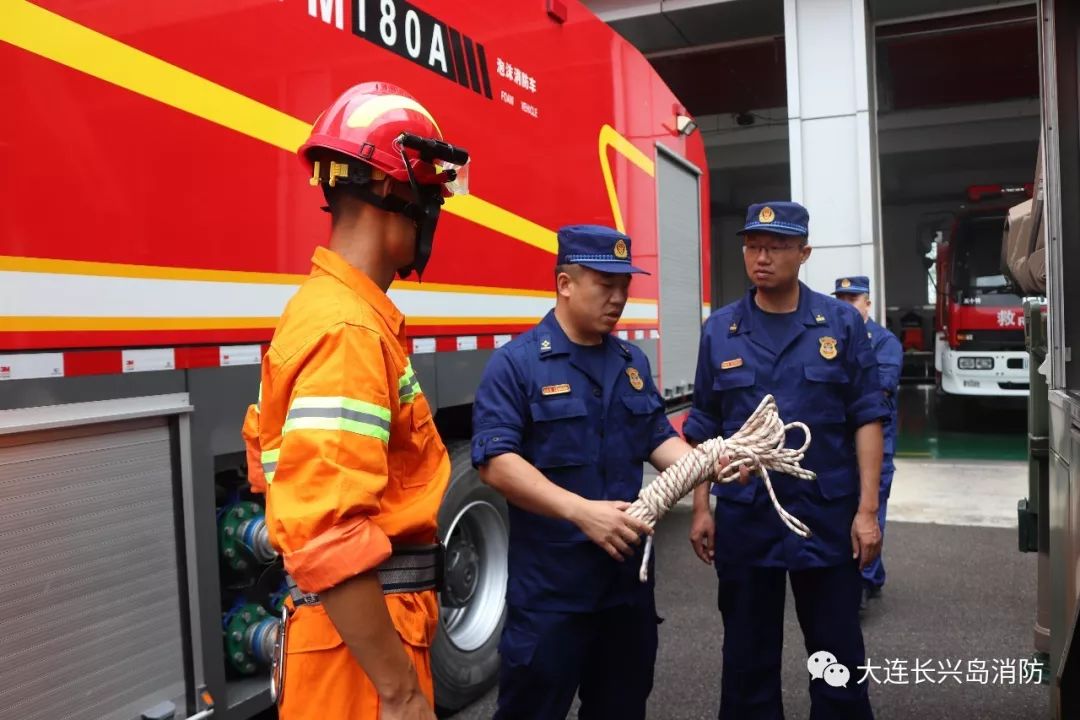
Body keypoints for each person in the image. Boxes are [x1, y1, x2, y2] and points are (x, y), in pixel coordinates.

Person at [240, 81, 469, 720]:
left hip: (353, 641)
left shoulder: (328, 313)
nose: (433, 217)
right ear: (395, 195)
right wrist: (398, 693)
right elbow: (328, 532)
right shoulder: (347, 331)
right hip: (359, 662)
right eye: (431, 198)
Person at [471, 225, 729, 720]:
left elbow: (658, 439)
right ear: (565, 283)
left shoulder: (631, 362)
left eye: (624, 286)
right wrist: (580, 512)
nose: (619, 298)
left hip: (624, 591)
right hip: (552, 594)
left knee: (621, 707)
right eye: (604, 284)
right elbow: (496, 463)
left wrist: (709, 465)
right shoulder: (517, 365)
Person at [684, 201, 888, 720]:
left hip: (824, 519)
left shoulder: (840, 324)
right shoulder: (720, 331)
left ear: (804, 253)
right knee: (747, 664)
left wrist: (867, 513)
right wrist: (701, 507)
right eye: (753, 245)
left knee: (837, 660)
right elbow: (705, 427)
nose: (763, 257)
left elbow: (866, 418)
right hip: (747, 522)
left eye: (777, 247)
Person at [833, 276, 903, 608]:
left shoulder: (885, 342)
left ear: (868, 303)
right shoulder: (830, 340)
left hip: (878, 445)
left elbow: (880, 388)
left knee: (871, 510)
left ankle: (859, 584)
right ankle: (872, 574)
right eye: (841, 299)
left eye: (854, 299)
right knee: (846, 512)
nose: (847, 305)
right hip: (839, 444)